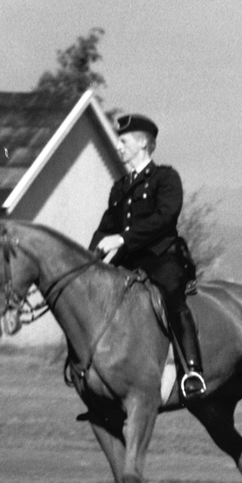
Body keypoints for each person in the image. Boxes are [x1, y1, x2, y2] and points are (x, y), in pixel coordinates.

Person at [89, 113, 206, 398]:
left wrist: (124, 238)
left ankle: (192, 371)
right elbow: (105, 230)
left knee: (171, 295)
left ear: (142, 144)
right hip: (127, 260)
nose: (118, 146)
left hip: (162, 257)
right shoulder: (119, 188)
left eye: (123, 141)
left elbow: (165, 218)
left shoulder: (166, 178)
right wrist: (89, 259)